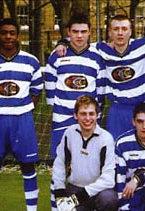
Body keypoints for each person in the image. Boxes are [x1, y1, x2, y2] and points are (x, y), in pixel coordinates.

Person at [56, 14, 145, 140]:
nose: (120, 33)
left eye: (124, 29)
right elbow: (78, 42)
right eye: (116, 29)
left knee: (143, 148)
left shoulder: (143, 45)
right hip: (118, 109)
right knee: (116, 149)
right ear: (110, 32)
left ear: (130, 31)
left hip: (141, 107)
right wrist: (62, 42)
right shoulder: (101, 49)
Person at [0, 18, 43, 211]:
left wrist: (24, 108)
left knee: (28, 166)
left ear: (17, 35)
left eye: (12, 33)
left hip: (23, 119)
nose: (8, 37)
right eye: (4, 33)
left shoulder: (31, 61)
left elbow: (37, 91)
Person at [44, 13, 106, 161]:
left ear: (90, 32)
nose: (79, 36)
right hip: (62, 116)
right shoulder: (57, 55)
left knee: (88, 161)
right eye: (75, 31)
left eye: (83, 32)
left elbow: (101, 89)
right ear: (68, 32)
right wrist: (56, 107)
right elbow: (50, 85)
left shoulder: (97, 57)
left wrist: (96, 112)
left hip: (87, 118)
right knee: (61, 162)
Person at [51, 95, 118, 211]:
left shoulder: (106, 138)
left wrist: (78, 198)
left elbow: (109, 179)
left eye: (91, 114)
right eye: (83, 113)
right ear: (75, 115)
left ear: (97, 115)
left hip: (99, 191)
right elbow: (59, 163)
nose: (88, 118)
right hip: (75, 188)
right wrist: (60, 193)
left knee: (109, 199)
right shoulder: (69, 133)